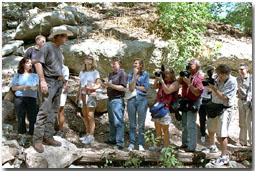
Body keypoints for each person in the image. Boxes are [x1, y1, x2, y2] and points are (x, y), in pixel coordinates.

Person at [32, 27, 73, 153]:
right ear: (58, 36)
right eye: (65, 36)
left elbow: (56, 67)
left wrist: (61, 79)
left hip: (57, 82)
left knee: (53, 111)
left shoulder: (59, 51)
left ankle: (48, 137)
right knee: (44, 110)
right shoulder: (47, 46)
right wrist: (42, 80)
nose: (66, 39)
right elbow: (38, 63)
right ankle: (37, 140)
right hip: (48, 81)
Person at [207, 64, 237, 165]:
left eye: (221, 76)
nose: (219, 78)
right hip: (214, 106)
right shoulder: (217, 78)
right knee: (211, 129)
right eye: (218, 75)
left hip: (224, 109)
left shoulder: (232, 82)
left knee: (222, 134)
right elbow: (209, 90)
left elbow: (224, 98)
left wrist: (214, 88)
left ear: (226, 74)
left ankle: (224, 156)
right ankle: (212, 147)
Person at [149, 67, 179, 153]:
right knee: (157, 126)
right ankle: (157, 145)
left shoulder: (175, 83)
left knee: (165, 128)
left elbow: (168, 91)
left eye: (167, 73)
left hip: (166, 108)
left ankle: (166, 147)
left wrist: (162, 81)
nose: (165, 75)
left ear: (172, 74)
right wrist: (157, 79)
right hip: (157, 107)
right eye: (164, 73)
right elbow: (154, 87)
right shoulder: (163, 81)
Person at [11, 58, 39, 145]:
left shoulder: (35, 75)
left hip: (31, 98)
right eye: (28, 63)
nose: (30, 64)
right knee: (21, 117)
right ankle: (22, 135)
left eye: (31, 63)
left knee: (32, 117)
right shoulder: (18, 75)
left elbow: (36, 87)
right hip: (19, 98)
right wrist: (24, 87)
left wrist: (33, 87)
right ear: (23, 64)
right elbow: (13, 88)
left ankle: (31, 135)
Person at [178, 59, 204, 152]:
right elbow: (178, 82)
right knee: (184, 123)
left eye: (191, 65)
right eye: (188, 65)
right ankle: (185, 144)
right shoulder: (187, 74)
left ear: (197, 67)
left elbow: (197, 93)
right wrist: (182, 77)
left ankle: (192, 147)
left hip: (193, 102)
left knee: (191, 124)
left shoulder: (199, 77)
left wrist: (188, 83)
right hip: (185, 101)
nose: (189, 66)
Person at [102, 57, 127, 150]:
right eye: (112, 64)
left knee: (118, 121)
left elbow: (123, 88)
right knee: (112, 121)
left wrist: (110, 85)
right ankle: (112, 139)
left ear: (120, 65)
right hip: (110, 99)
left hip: (118, 100)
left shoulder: (122, 74)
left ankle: (120, 143)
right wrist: (105, 86)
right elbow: (111, 86)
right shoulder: (111, 74)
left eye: (114, 64)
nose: (112, 65)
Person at [76, 56, 101, 144]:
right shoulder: (82, 72)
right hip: (82, 94)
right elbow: (80, 85)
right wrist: (77, 96)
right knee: (85, 115)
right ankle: (87, 133)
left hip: (91, 94)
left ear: (92, 61)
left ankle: (91, 135)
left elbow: (98, 85)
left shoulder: (95, 72)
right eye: (86, 58)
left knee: (90, 115)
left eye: (90, 59)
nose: (88, 60)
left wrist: (91, 88)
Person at [127, 58, 149, 151]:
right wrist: (134, 75)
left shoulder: (145, 75)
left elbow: (146, 88)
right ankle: (132, 143)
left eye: (136, 63)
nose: (135, 65)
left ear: (141, 65)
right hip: (132, 100)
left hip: (142, 100)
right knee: (132, 123)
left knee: (141, 124)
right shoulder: (130, 75)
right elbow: (131, 89)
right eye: (134, 63)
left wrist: (136, 86)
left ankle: (140, 143)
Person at [236, 62, 252, 146]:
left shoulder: (251, 78)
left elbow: (251, 91)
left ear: (247, 69)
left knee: (250, 122)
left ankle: (252, 141)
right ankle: (243, 141)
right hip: (240, 100)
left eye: (242, 69)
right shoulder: (238, 79)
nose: (241, 71)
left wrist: (249, 101)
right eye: (240, 69)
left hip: (249, 101)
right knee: (242, 122)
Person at [199, 66, 215, 143]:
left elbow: (212, 91)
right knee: (202, 119)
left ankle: (211, 135)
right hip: (202, 101)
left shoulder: (213, 81)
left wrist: (211, 86)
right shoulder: (201, 81)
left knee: (210, 119)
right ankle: (202, 134)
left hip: (209, 101)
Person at [56, 64, 70, 137]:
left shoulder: (64, 68)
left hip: (61, 91)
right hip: (52, 90)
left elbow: (64, 79)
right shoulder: (52, 65)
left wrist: (57, 77)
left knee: (60, 111)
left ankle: (60, 130)